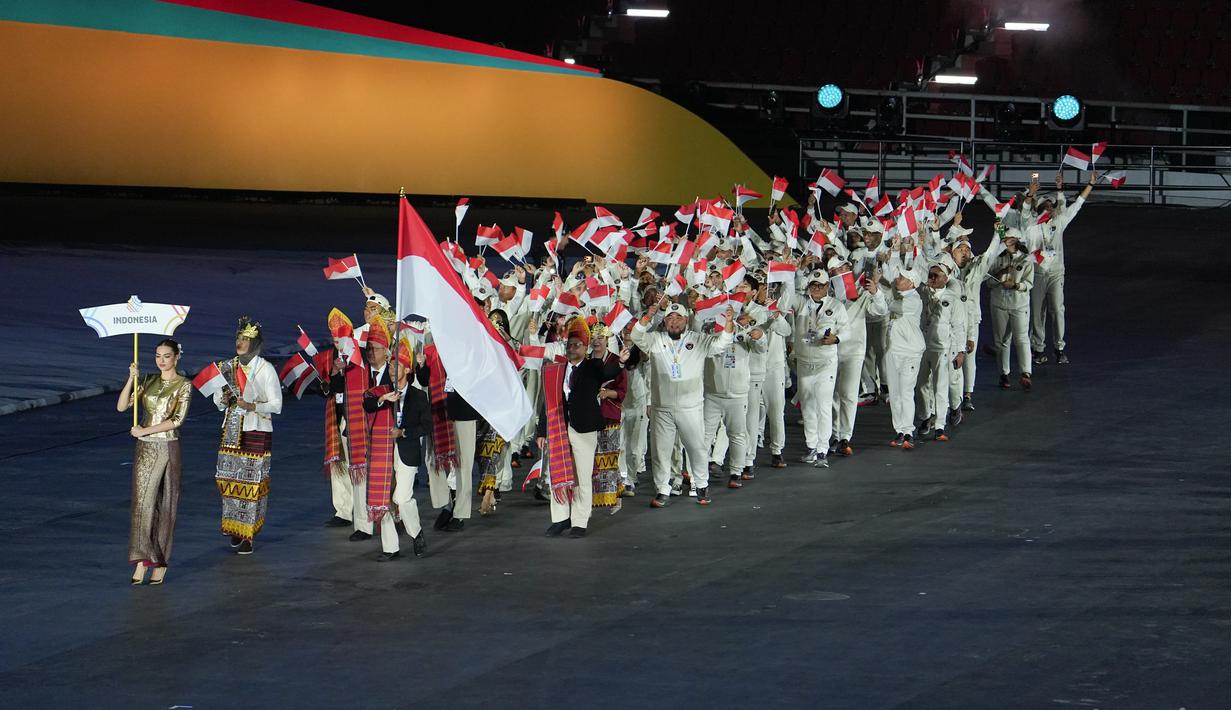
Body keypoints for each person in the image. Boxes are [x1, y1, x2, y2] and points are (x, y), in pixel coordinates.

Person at [631, 297, 734, 507]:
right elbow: (635, 335)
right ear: (665, 321)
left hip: (691, 407)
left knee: (696, 448)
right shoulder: (655, 339)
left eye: (679, 318)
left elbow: (722, 344)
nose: (674, 322)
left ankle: (702, 485)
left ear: (686, 320)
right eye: (670, 317)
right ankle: (662, 489)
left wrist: (729, 323)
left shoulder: (698, 340)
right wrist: (648, 316)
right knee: (661, 451)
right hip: (662, 407)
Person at [537, 317, 628, 537]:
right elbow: (547, 401)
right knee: (557, 474)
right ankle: (560, 518)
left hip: (584, 429)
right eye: (569, 344)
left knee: (582, 476)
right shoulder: (556, 369)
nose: (572, 348)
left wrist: (622, 362)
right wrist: (541, 431)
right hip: (559, 427)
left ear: (585, 348)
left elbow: (608, 373)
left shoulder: (593, 366)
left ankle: (579, 521)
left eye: (577, 345)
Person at [117, 339, 191, 585]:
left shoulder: (184, 385)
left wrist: (145, 431)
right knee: (142, 503)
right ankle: (141, 559)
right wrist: (131, 379)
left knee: (167, 503)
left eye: (166, 356)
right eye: (158, 355)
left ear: (176, 357)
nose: (161, 360)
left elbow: (177, 420)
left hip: (167, 446)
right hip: (145, 449)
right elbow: (121, 407)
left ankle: (160, 561)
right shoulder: (147, 380)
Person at [212, 316, 282, 554]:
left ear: (255, 343)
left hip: (256, 430)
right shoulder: (226, 367)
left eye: (245, 339)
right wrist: (222, 399)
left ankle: (248, 534)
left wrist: (253, 406)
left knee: (251, 484)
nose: (240, 342)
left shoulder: (265, 369)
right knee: (229, 480)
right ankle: (234, 527)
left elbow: (277, 404)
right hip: (231, 430)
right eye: (238, 338)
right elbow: (218, 401)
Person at [364, 332, 430, 561]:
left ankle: (416, 531)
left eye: (397, 366)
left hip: (406, 452)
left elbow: (426, 426)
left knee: (401, 498)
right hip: (383, 451)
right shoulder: (382, 391)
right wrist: (384, 400)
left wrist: (403, 432)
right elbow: (368, 403)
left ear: (408, 370)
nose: (392, 369)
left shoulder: (418, 397)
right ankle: (390, 547)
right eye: (391, 365)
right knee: (383, 500)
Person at [1024, 171, 1098, 365]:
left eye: (1051, 205)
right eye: (1045, 206)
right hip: (1038, 273)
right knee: (1037, 311)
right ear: (1039, 209)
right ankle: (1038, 348)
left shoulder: (1059, 222)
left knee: (1057, 309)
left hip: (1056, 272)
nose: (1049, 208)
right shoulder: (1031, 227)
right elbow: (1024, 211)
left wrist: (1090, 184)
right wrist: (1031, 193)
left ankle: (1059, 347)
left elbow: (1076, 206)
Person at [779, 268, 849, 468]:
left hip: (826, 362)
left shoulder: (835, 306)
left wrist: (837, 339)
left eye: (821, 285)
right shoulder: (801, 302)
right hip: (804, 362)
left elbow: (847, 330)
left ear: (828, 286)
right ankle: (811, 446)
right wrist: (788, 277)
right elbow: (784, 304)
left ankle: (822, 450)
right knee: (808, 405)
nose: (817, 289)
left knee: (823, 405)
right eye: (813, 285)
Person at [417, 339, 478, 533]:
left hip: (463, 412)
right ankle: (445, 505)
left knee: (463, 464)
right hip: (438, 413)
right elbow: (424, 380)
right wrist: (420, 364)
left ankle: (460, 512)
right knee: (433, 461)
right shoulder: (430, 350)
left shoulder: (469, 346)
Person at [986, 228, 1035, 391]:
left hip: (1019, 304)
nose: (1005, 241)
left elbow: (1029, 284)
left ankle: (1026, 373)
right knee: (1001, 341)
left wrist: (1015, 285)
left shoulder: (1026, 260)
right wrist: (1000, 275)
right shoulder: (996, 258)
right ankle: (1003, 374)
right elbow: (988, 282)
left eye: (1008, 238)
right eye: (1004, 238)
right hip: (999, 303)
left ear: (1016, 240)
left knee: (1021, 338)